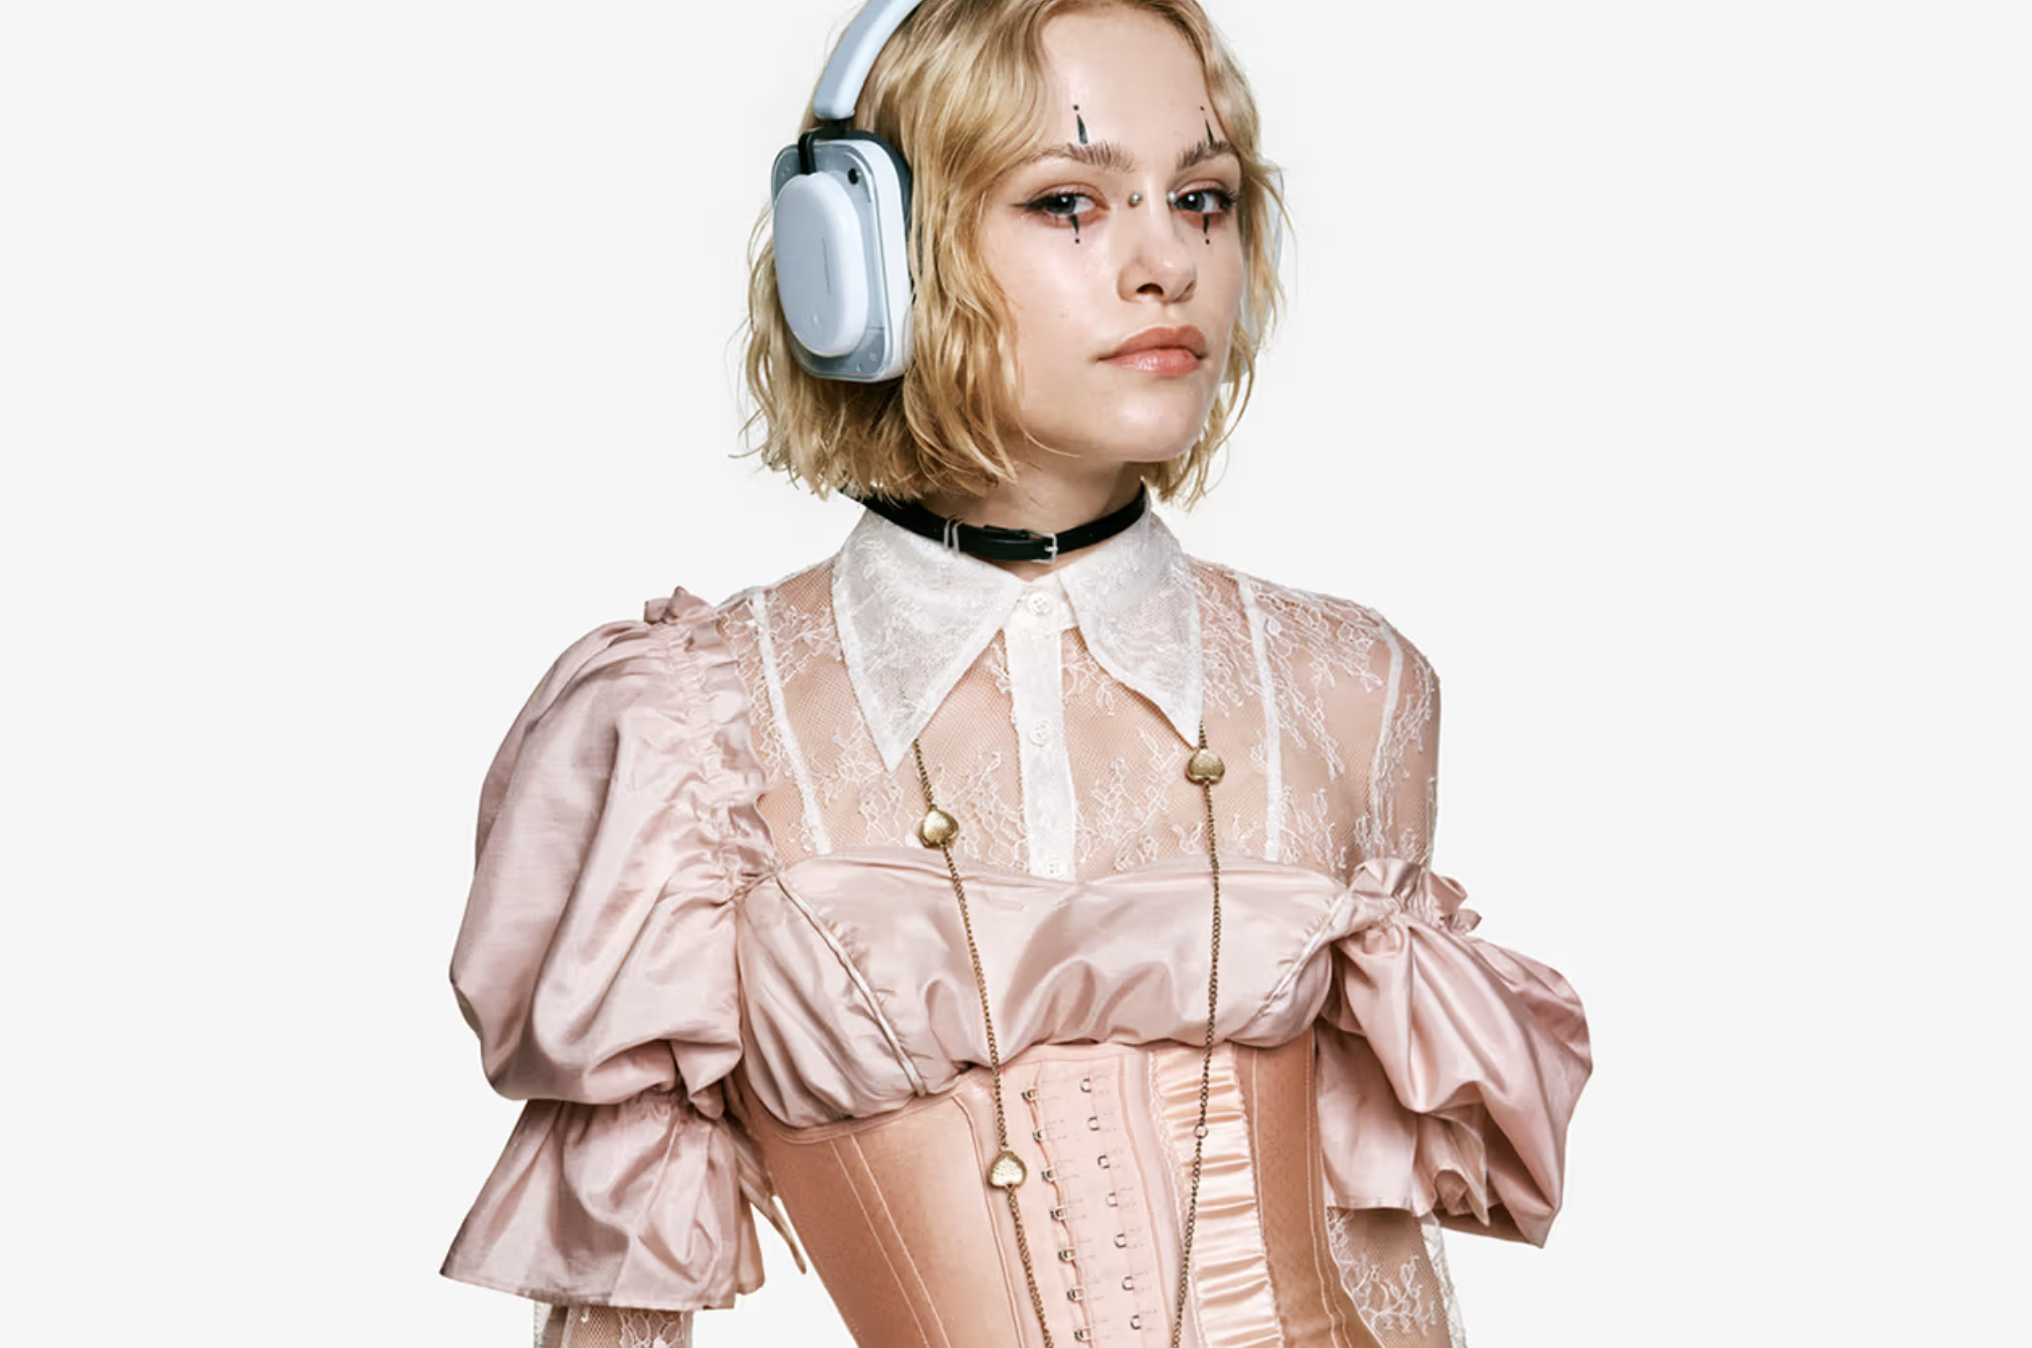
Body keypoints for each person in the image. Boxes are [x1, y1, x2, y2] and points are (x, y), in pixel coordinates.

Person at [439, 2, 1592, 1345]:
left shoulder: (1355, 685)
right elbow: (618, 1300)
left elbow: (1383, 1264)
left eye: (1203, 199)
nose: (1168, 264)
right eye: (1068, 204)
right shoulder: (684, 735)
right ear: (861, 261)